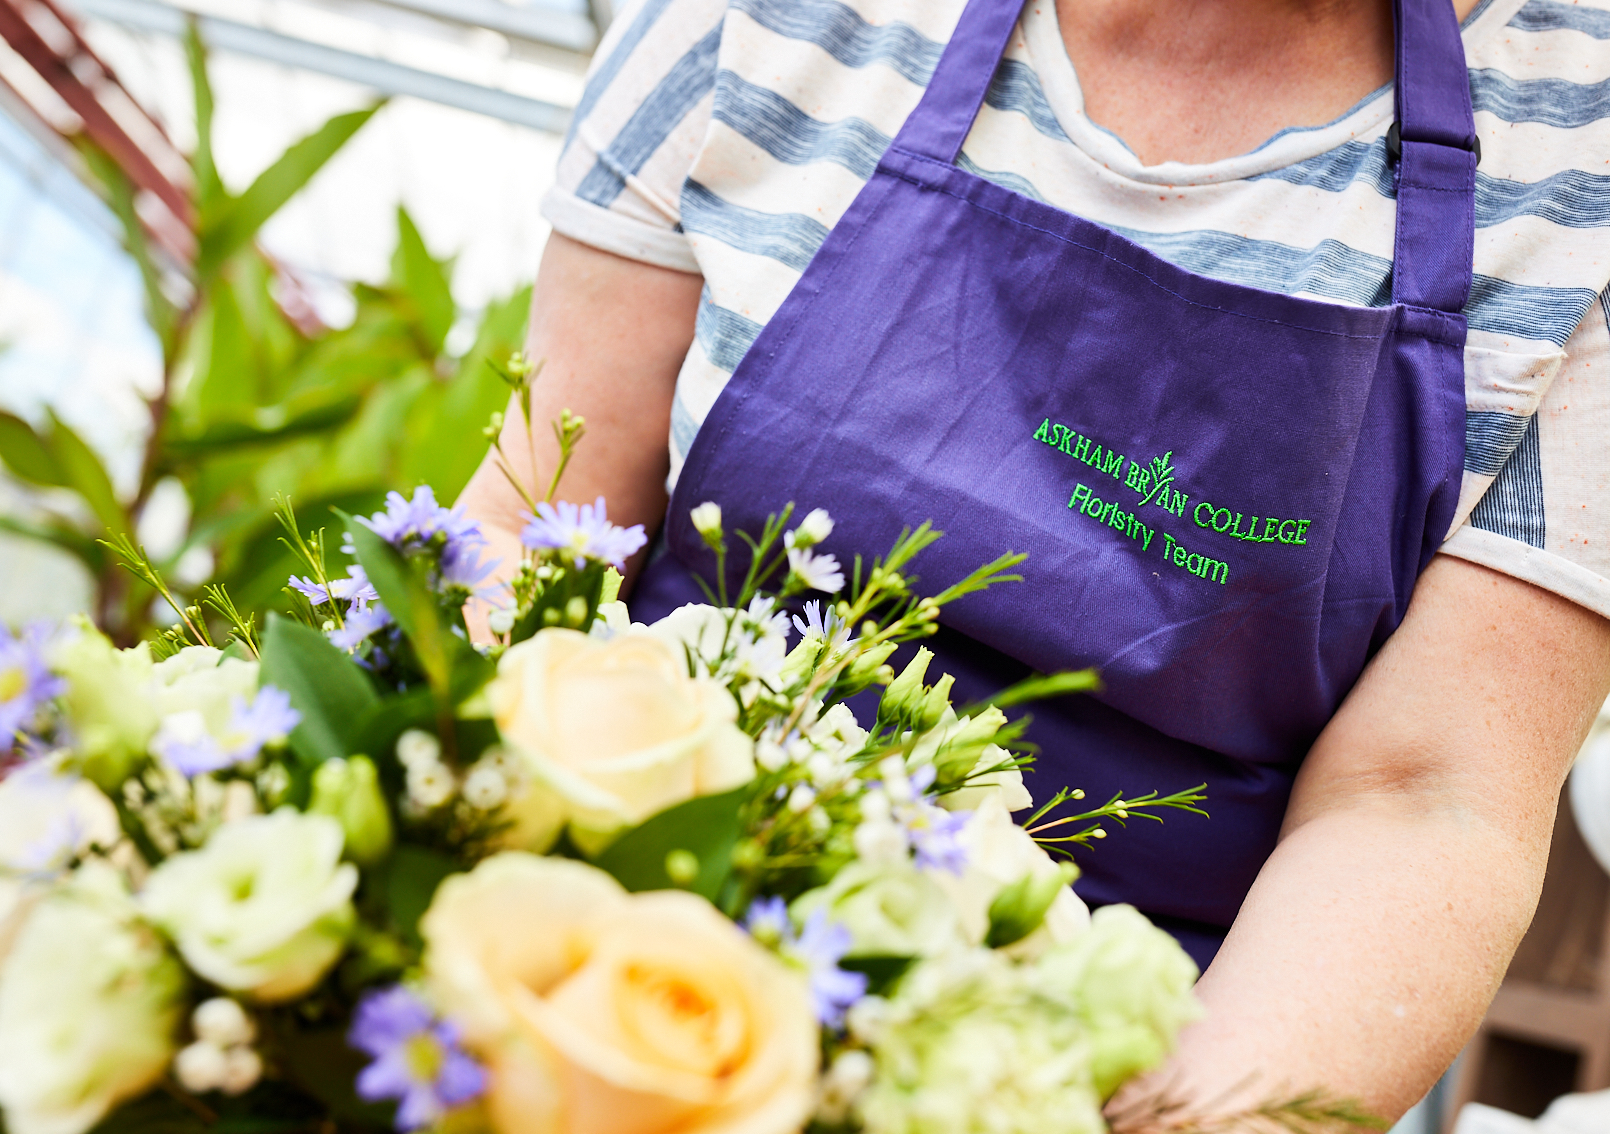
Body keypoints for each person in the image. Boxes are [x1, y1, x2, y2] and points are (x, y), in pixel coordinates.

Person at [457, 0, 1610, 1119]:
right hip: (621, 973)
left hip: (1121, 1051)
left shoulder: (1579, 152)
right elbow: (539, 526)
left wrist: (1157, 1115)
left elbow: (1420, 801)